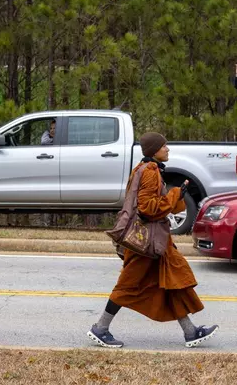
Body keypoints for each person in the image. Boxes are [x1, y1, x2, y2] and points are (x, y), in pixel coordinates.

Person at [87, 132, 219, 349]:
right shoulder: (149, 172)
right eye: (164, 146)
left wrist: (179, 193)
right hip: (145, 243)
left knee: (173, 280)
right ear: (154, 150)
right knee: (128, 285)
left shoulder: (145, 168)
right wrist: (176, 195)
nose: (168, 149)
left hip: (154, 240)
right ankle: (100, 328)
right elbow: (148, 209)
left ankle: (190, 331)